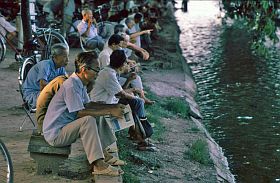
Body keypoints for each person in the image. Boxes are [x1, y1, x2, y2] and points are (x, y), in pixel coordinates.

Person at [43, 51, 126, 176]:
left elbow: (88, 105)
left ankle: (104, 152)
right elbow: (79, 113)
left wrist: (113, 106)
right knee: (88, 120)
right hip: (55, 134)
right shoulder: (71, 85)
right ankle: (99, 165)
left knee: (96, 113)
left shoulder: (79, 82)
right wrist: (109, 110)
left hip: (65, 127)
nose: (98, 74)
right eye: (96, 70)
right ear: (84, 69)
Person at [91, 50, 155, 150]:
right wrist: (138, 98)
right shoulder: (109, 74)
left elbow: (119, 91)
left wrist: (129, 80)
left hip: (109, 100)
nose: (127, 65)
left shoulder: (110, 71)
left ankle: (137, 134)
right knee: (136, 102)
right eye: (126, 63)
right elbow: (121, 94)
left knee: (134, 101)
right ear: (122, 65)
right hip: (101, 104)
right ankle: (142, 137)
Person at [22, 43, 69, 109]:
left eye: (67, 56)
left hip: (44, 94)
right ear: (55, 57)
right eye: (64, 56)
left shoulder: (60, 68)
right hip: (33, 95)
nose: (67, 60)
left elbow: (66, 82)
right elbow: (43, 86)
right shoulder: (45, 65)